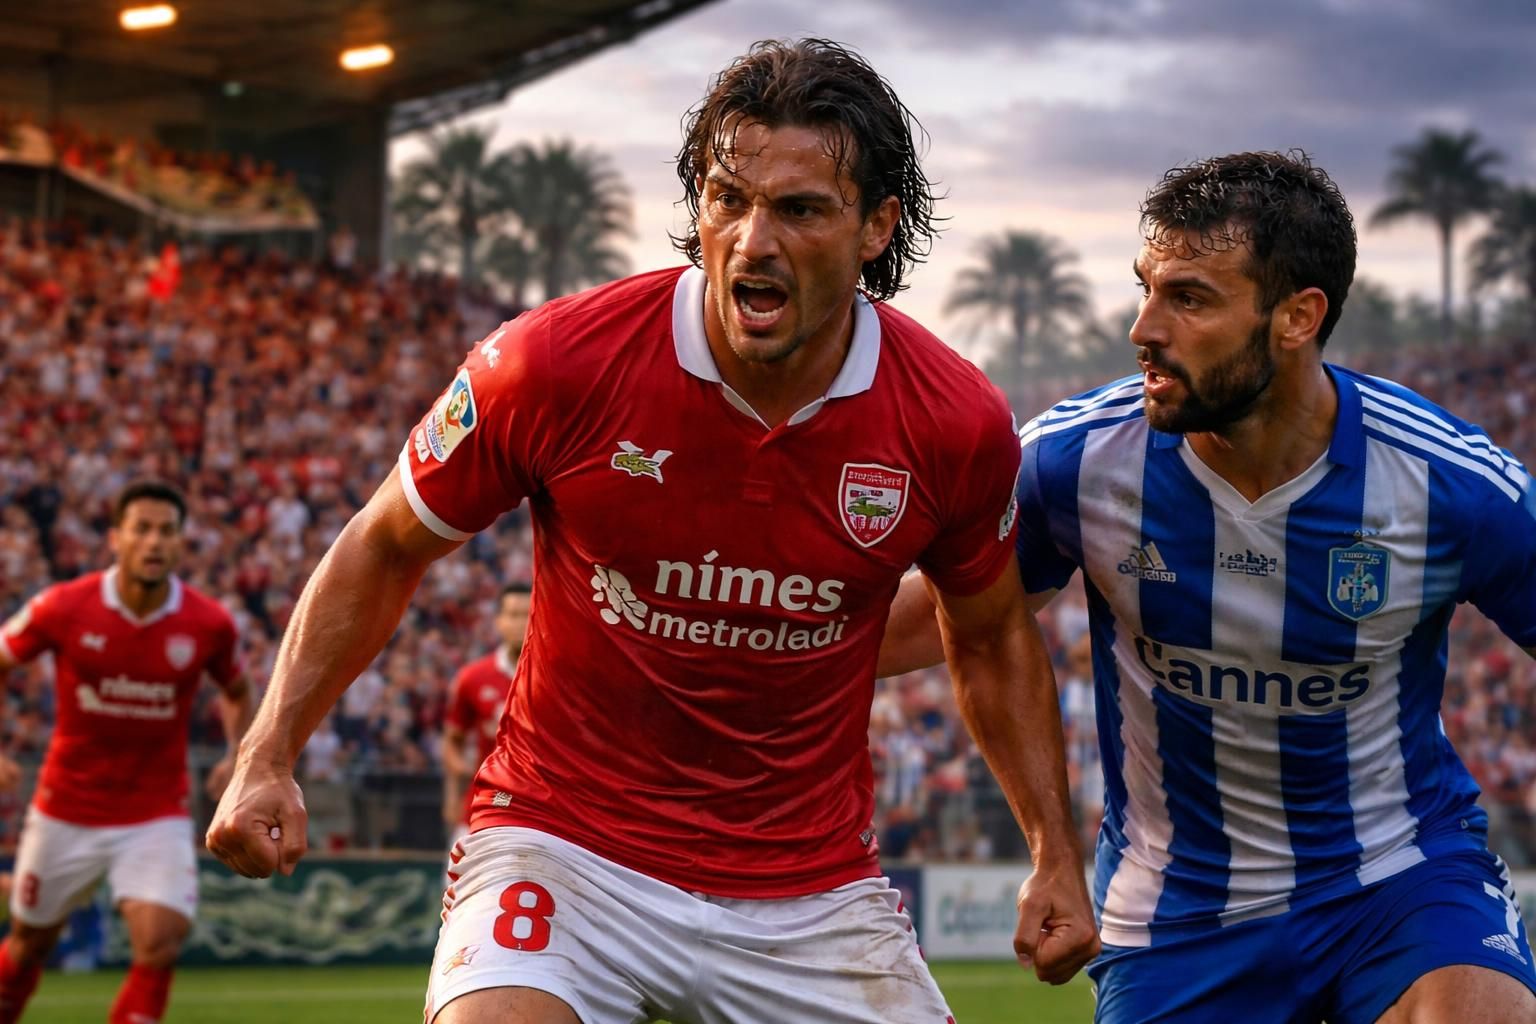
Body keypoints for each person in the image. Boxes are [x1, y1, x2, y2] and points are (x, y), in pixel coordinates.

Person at [205, 37, 1097, 1024]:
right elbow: (383, 544)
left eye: (799, 210)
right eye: (728, 199)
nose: (753, 240)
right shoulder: (552, 365)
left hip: (806, 889)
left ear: (876, 226)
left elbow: (990, 631)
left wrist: (1056, 853)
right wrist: (268, 748)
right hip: (564, 847)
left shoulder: (951, 420)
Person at [880, 150, 1536, 1024]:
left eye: (1188, 298)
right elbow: (951, 620)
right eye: (1146, 287)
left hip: (1399, 879)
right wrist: (736, 629)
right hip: (1176, 914)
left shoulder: (1444, 483)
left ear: (1298, 317)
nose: (1143, 326)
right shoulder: (1074, 464)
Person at [0, 480, 253, 1024]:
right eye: (142, 529)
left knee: (159, 942)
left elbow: (237, 692)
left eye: (166, 531)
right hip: (65, 806)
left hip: (154, 812)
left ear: (181, 542)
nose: (154, 542)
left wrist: (238, 754)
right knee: (28, 944)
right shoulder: (65, 606)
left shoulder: (209, 624)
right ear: (116, 538)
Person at [441, 582, 531, 845]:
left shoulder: (558, 679)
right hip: (482, 805)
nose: (520, 623)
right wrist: (456, 783)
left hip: (541, 812)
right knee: (458, 884)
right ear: (499, 621)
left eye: (527, 614)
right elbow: (451, 739)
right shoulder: (473, 678)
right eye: (513, 615)